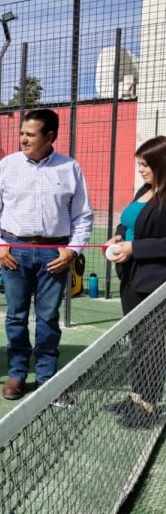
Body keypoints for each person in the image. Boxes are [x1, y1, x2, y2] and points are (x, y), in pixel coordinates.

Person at [0, 108, 93, 401]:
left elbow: (83, 216)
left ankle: (46, 377)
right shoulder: (7, 166)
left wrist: (72, 250)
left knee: (47, 317)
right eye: (21, 133)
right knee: (16, 316)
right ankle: (17, 373)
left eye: (30, 135)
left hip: (53, 255)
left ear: (50, 137)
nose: (22, 139)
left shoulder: (70, 168)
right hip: (14, 251)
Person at [103, 136, 166, 428]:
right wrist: (118, 237)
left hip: (155, 284)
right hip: (130, 279)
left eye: (145, 164)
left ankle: (147, 406)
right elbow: (128, 222)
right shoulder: (145, 189)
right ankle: (136, 396)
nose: (140, 169)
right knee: (137, 341)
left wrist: (135, 249)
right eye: (139, 163)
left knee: (153, 345)